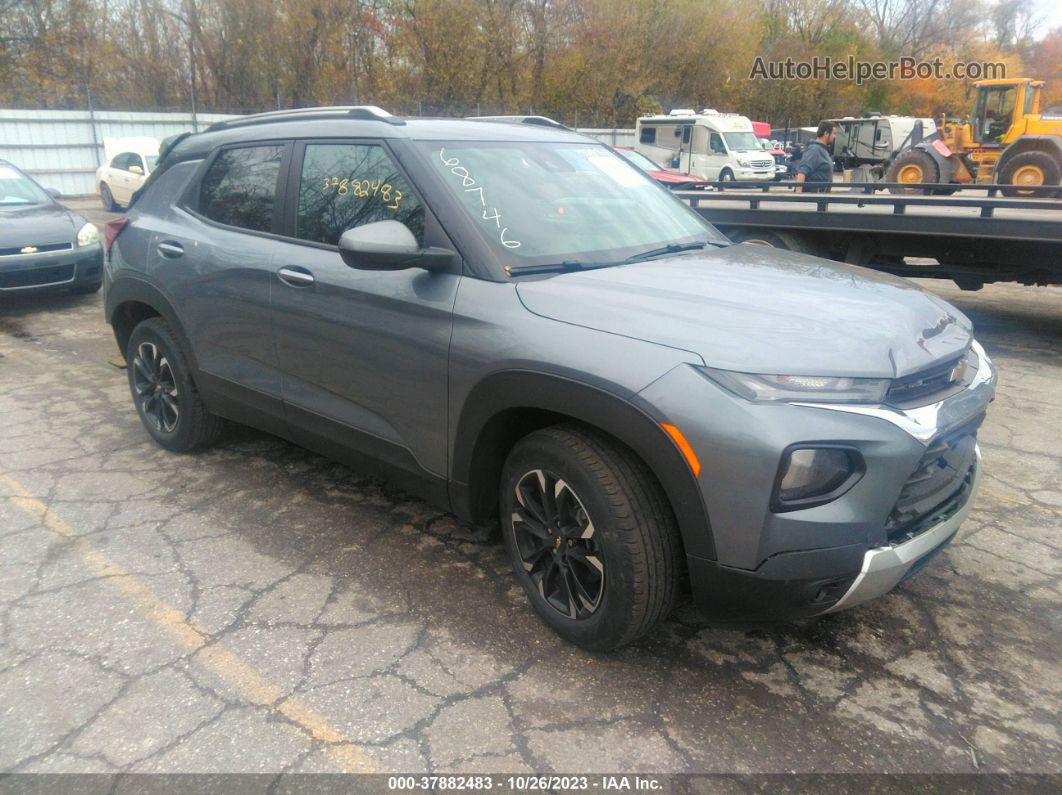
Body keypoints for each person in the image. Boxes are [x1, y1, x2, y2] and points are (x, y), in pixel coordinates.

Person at [795, 121, 836, 193]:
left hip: (821, 199)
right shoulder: (814, 150)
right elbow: (801, 173)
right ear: (826, 133)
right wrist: (799, 197)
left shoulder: (823, 150)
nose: (834, 136)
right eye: (833, 133)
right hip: (811, 200)